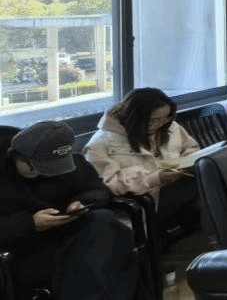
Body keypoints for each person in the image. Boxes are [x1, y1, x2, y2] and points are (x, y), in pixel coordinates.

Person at [1, 122, 139, 299]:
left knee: (104, 222)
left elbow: (98, 190)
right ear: (15, 154)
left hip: (66, 236)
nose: (36, 172)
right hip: (20, 249)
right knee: (103, 256)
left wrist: (80, 203)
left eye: (46, 168)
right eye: (31, 164)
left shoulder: (72, 165)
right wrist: (30, 223)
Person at [84, 88, 201, 231]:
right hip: (143, 205)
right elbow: (109, 185)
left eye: (164, 119)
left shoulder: (169, 126)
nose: (159, 124)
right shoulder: (101, 143)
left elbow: (191, 147)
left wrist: (185, 160)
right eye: (153, 120)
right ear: (134, 116)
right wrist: (155, 179)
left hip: (175, 192)